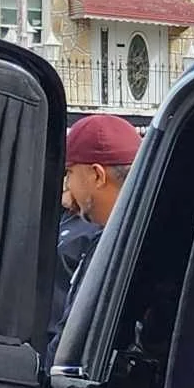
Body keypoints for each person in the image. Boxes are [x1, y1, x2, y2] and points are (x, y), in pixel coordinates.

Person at [47, 113, 139, 365]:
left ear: (97, 175)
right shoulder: (134, 235)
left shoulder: (111, 246)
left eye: (70, 172)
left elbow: (70, 349)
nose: (68, 186)